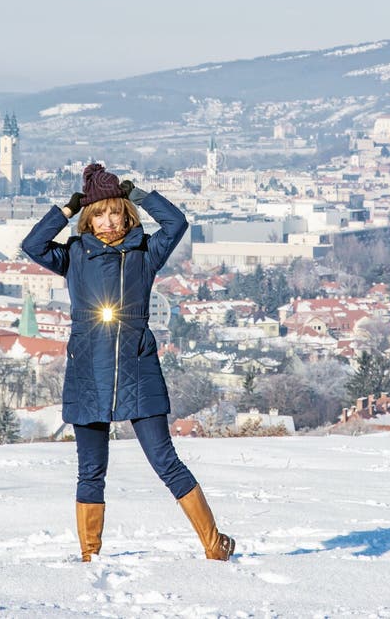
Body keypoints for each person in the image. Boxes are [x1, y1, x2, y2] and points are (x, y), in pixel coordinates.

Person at [22, 162, 235, 562]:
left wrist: (139, 193)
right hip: (88, 372)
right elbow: (32, 245)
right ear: (88, 218)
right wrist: (65, 211)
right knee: (90, 471)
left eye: (114, 211)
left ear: (126, 214)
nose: (107, 221)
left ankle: (214, 544)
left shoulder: (145, 252)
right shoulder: (73, 257)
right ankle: (90, 555)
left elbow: (177, 224)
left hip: (138, 369)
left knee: (165, 461)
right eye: (98, 213)